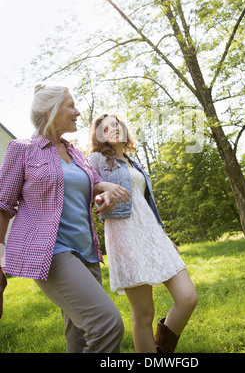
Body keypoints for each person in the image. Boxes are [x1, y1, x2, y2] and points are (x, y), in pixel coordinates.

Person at [0, 85, 131, 353]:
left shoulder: (77, 154)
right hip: (51, 254)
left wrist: (103, 193)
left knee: (80, 336)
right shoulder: (22, 150)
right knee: (107, 325)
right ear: (51, 111)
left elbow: (92, 185)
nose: (78, 112)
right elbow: (3, 206)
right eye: (70, 106)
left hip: (87, 253)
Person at [88, 113, 198, 353]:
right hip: (125, 235)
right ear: (100, 137)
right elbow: (91, 186)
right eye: (106, 129)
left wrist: (164, 237)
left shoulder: (132, 161)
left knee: (188, 297)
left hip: (152, 233)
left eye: (116, 125)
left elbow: (146, 204)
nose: (113, 130)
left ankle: (161, 350)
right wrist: (101, 195)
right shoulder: (96, 159)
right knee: (144, 313)